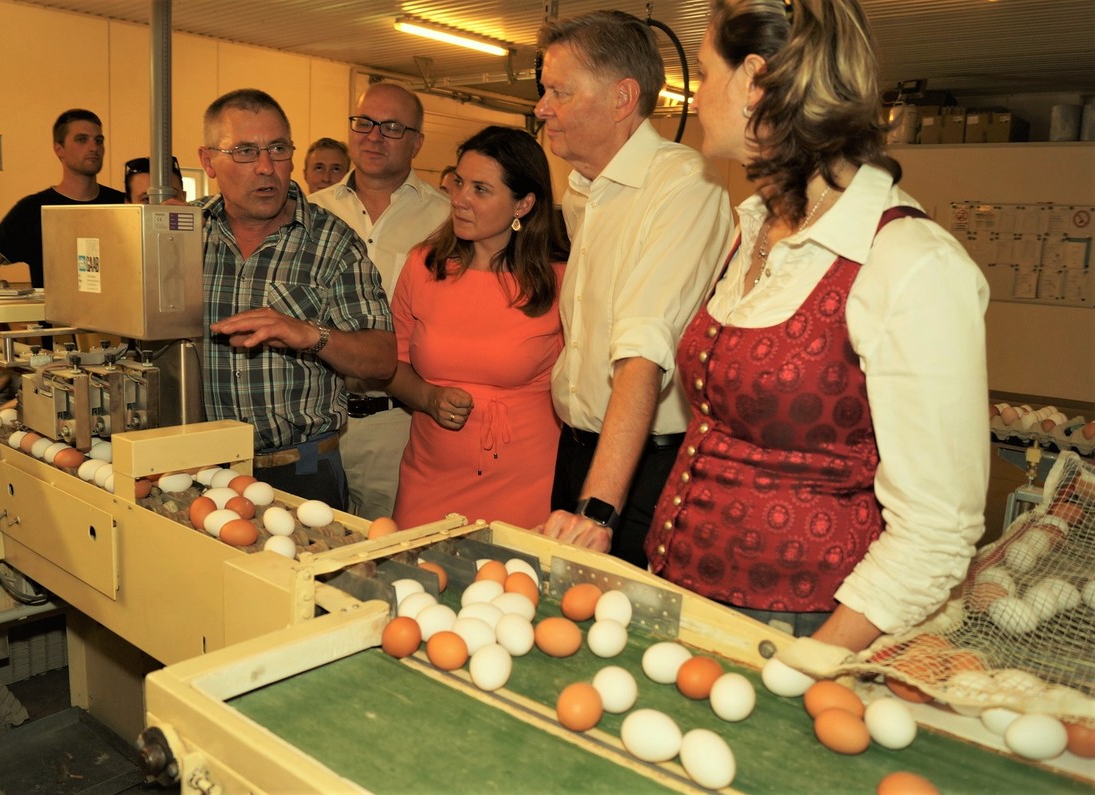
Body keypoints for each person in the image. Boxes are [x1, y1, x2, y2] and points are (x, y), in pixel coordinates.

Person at [643, 0, 990, 652]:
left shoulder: (909, 262)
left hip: (805, 627)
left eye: (704, 72)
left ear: (756, 80)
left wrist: (815, 660)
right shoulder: (753, 231)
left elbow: (938, 528)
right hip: (685, 594)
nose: (696, 95)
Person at [532, 11, 733, 567]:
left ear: (623, 97)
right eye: (544, 90)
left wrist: (599, 512)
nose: (542, 107)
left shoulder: (683, 185)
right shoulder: (583, 194)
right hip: (577, 450)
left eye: (559, 92)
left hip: (643, 469)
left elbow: (642, 354)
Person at [195, 88, 395, 509]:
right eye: (246, 151)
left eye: (278, 149)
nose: (266, 167)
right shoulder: (180, 235)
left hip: (301, 475)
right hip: (195, 470)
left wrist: (309, 335)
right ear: (208, 161)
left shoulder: (333, 243)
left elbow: (381, 359)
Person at [387, 126, 569, 529]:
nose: (459, 200)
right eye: (458, 182)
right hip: (429, 478)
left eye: (481, 190)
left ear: (523, 204)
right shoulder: (423, 266)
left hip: (526, 483)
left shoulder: (562, 280)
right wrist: (428, 397)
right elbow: (392, 365)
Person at [309, 82, 450, 520]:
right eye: (364, 122)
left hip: (397, 425)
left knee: (388, 550)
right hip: (316, 417)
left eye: (391, 127)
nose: (374, 136)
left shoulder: (446, 219)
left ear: (417, 142)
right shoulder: (311, 212)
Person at [0, 109, 125, 289]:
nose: (93, 147)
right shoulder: (32, 210)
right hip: (59, 317)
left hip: (117, 317)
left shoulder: (124, 206)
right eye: (81, 139)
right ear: (59, 149)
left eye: (99, 140)